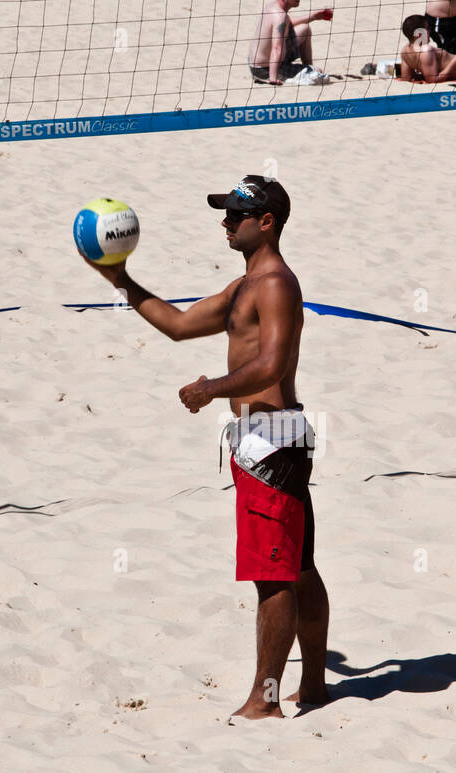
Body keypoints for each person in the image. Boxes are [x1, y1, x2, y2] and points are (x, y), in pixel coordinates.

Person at [81, 176, 331, 721]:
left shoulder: (276, 285)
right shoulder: (243, 287)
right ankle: (313, 685)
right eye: (225, 213)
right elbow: (177, 325)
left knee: (276, 576)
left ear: (266, 223)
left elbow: (272, 364)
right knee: (300, 568)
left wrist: (209, 388)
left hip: (271, 445)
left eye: (235, 216)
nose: (225, 222)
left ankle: (264, 702)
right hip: (263, 442)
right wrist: (121, 278)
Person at [249, 0, 334, 84]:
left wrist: (313, 17)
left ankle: (307, 68)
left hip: (257, 64)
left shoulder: (272, 6)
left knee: (305, 29)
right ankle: (307, 71)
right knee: (318, 71)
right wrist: (273, 78)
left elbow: (286, 24)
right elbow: (276, 48)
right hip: (265, 70)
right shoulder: (280, 16)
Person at [398, 14, 456, 82]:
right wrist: (455, 62)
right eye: (427, 28)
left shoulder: (405, 51)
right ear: (419, 34)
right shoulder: (426, 50)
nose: (430, 31)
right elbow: (433, 80)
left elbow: (406, 78)